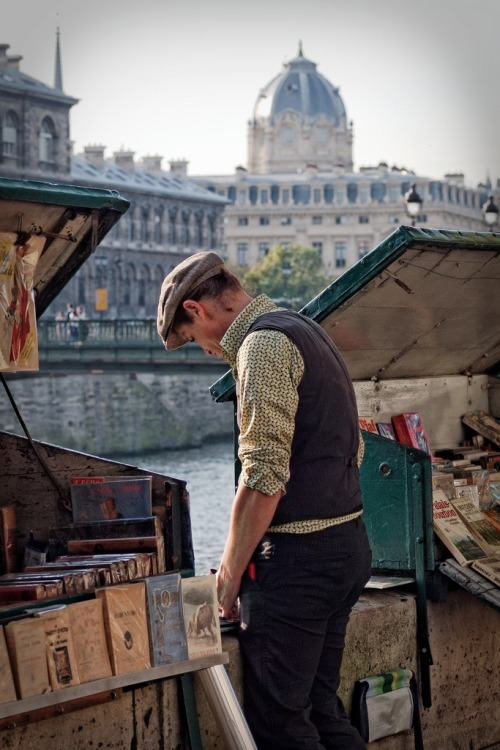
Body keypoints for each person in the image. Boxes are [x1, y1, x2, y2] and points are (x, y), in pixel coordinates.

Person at [157, 251, 372, 750]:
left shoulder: (262, 348)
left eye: (193, 340)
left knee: (281, 726)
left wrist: (227, 581)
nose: (207, 352)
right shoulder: (302, 327)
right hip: (346, 546)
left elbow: (262, 479)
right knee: (321, 711)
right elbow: (349, 448)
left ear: (197, 309)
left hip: (299, 566)